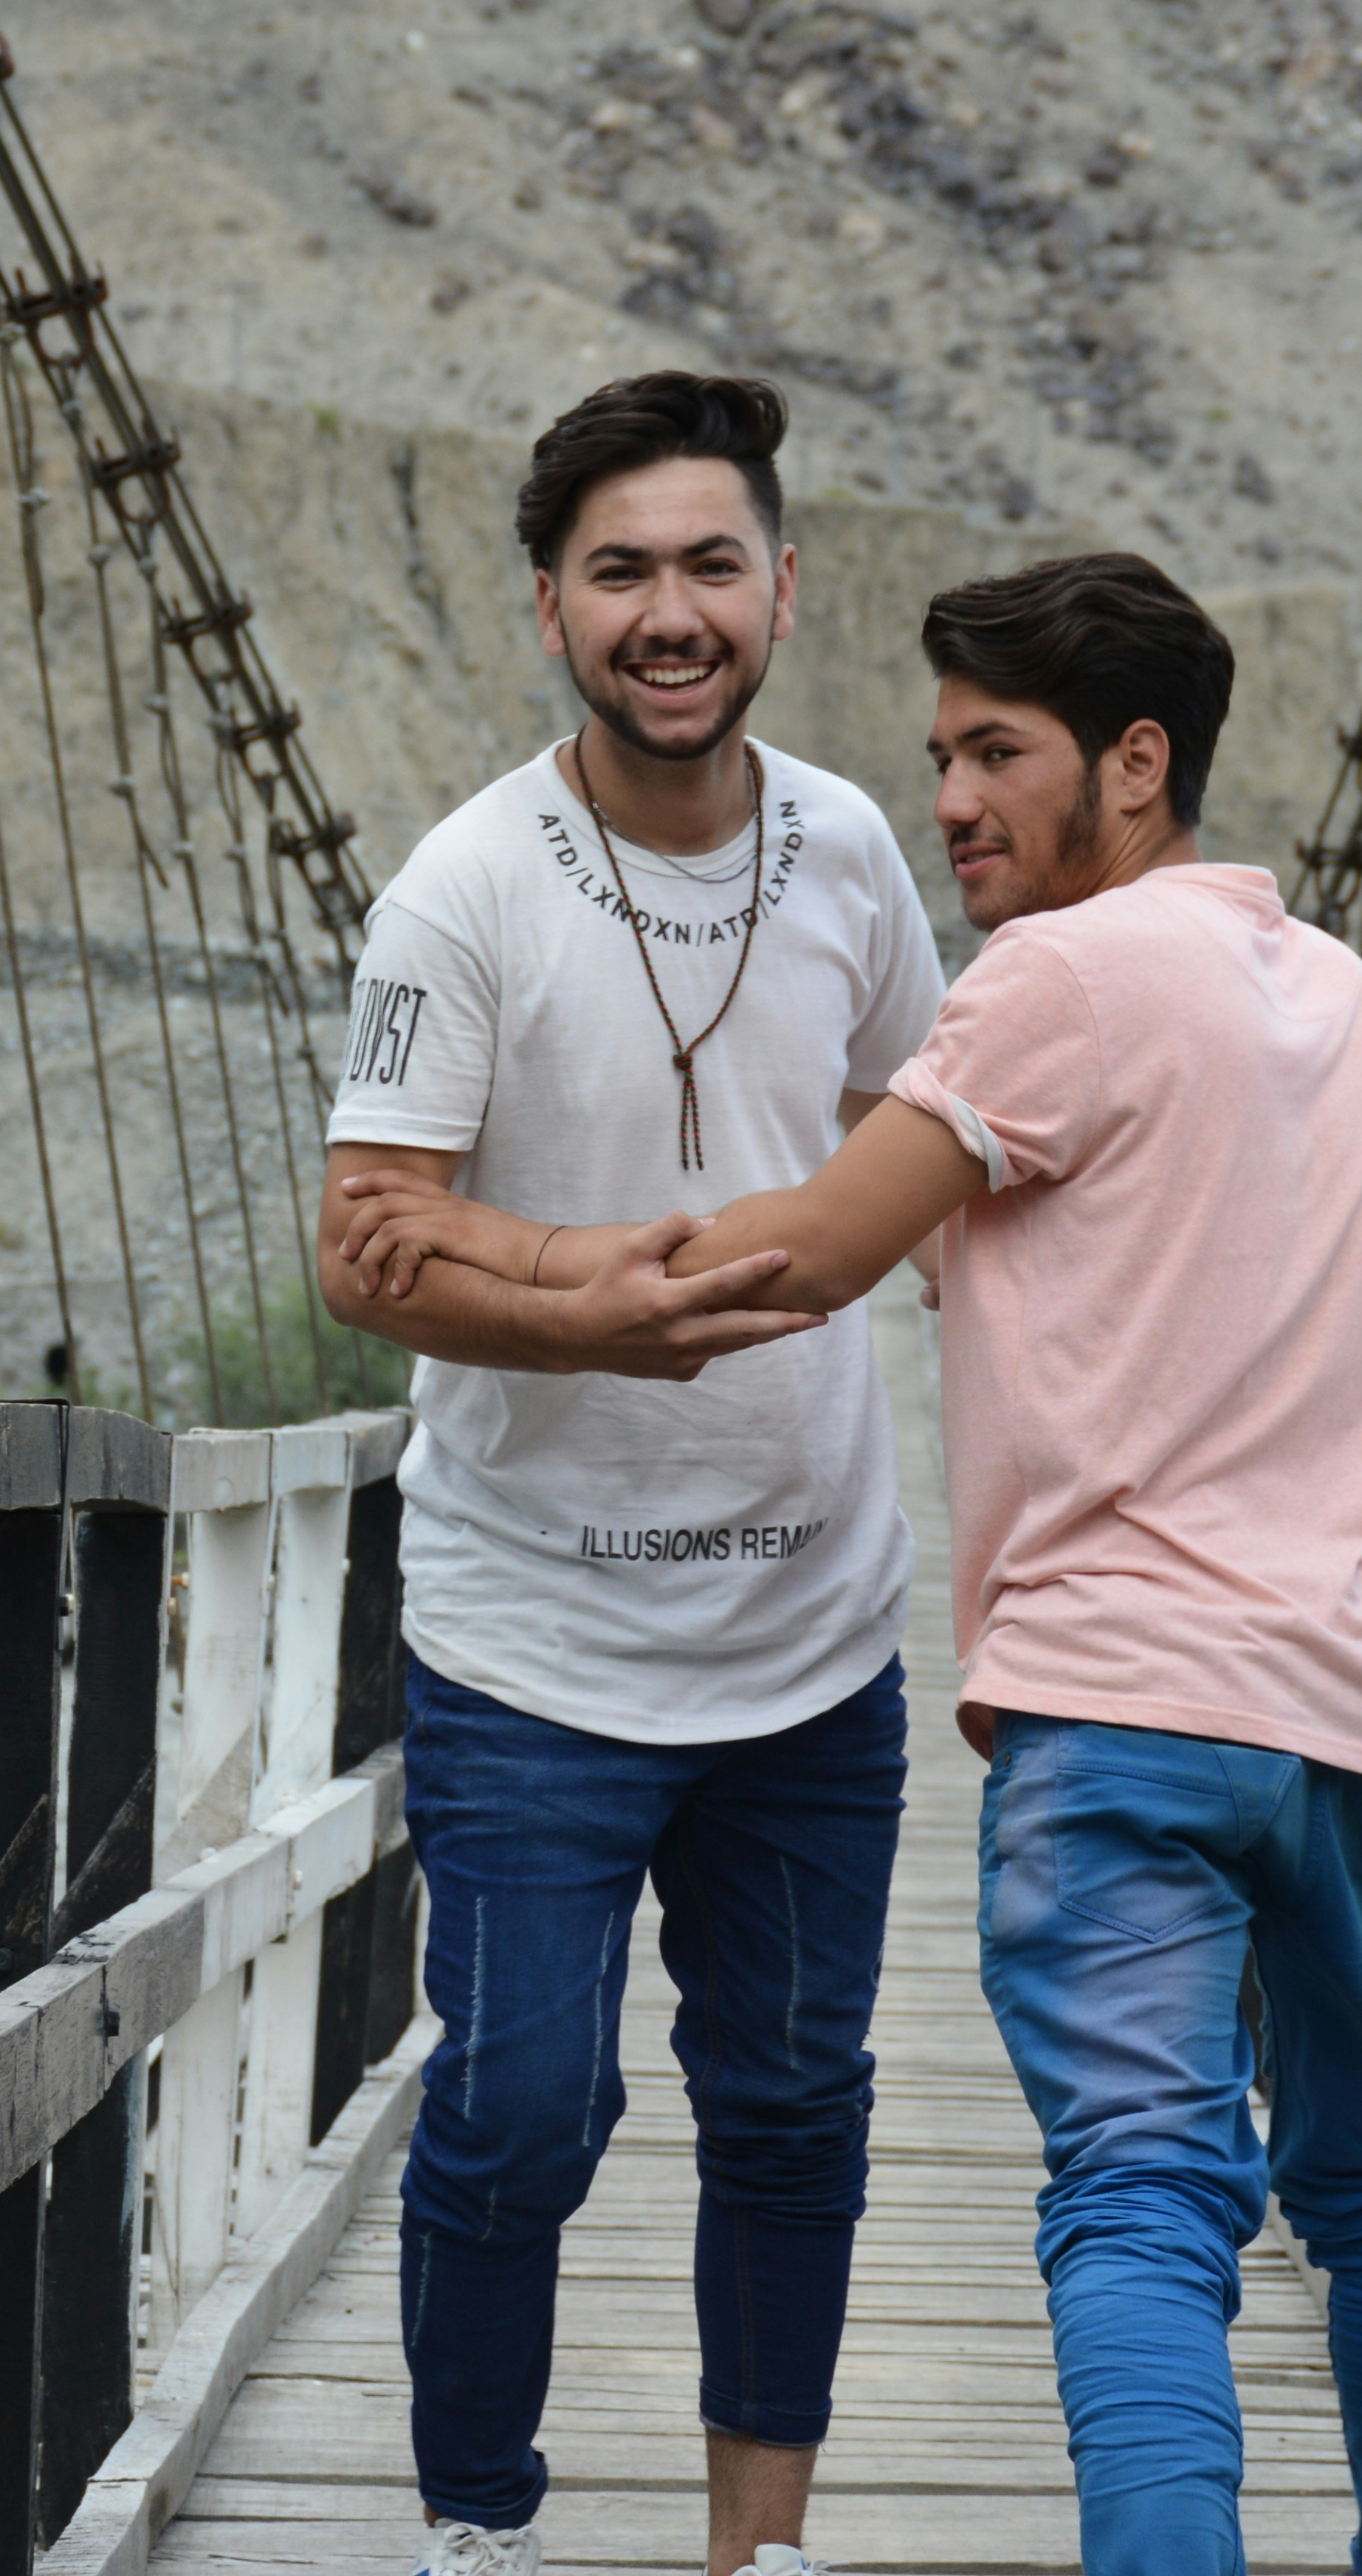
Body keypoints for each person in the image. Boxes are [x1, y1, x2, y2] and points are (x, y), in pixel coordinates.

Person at [335, 552, 1362, 2576]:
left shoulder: (1059, 983)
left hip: (1134, 1716)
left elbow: (803, 1254)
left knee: (1141, 2194)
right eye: (939, 752)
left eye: (996, 753)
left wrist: (467, 1247)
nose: (946, 796)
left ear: (1136, 765)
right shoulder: (1355, 1008)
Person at [316, 371, 949, 2576]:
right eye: (618, 574)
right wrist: (586, 1298)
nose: (667, 614)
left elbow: (935, 1178)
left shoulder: (860, 850)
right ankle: (477, 2531)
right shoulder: (464, 889)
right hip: (535, 1634)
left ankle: (751, 2555)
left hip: (812, 1637)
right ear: (550, 610)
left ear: (783, 587)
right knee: (513, 2114)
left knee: (792, 2116)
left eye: (707, 565)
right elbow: (363, 1237)